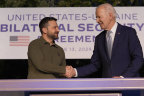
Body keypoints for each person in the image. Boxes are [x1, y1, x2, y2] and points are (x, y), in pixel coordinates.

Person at [65, 3, 143, 78]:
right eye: (96, 17)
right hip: (108, 86)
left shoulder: (128, 33)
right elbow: (95, 65)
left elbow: (138, 59)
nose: (97, 20)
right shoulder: (99, 38)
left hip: (128, 85)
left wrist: (123, 77)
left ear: (110, 15)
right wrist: (74, 72)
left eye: (99, 17)